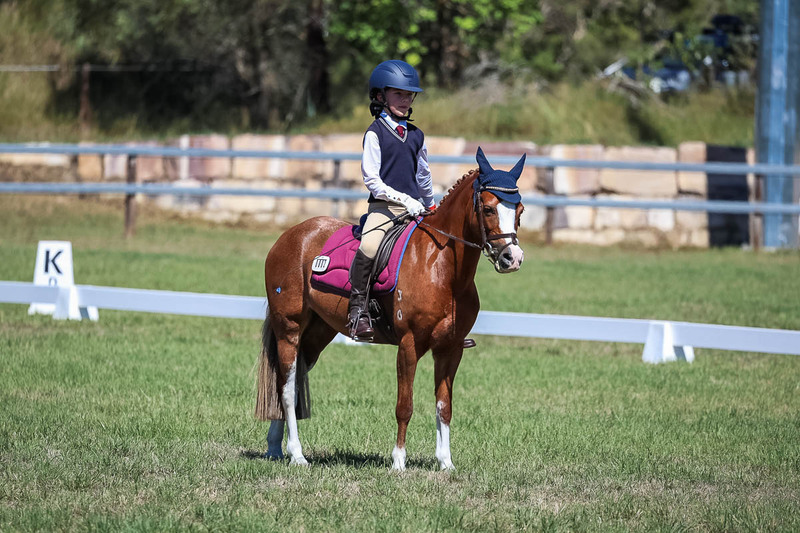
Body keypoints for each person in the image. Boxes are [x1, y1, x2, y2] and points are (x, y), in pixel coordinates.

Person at [348, 59, 436, 342]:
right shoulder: (375, 133)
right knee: (371, 245)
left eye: (409, 95)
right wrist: (403, 200)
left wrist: (431, 205)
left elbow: (423, 176)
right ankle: (357, 312)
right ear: (379, 96)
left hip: (416, 209)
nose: (405, 99)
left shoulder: (416, 135)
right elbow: (372, 179)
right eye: (399, 93)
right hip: (384, 208)